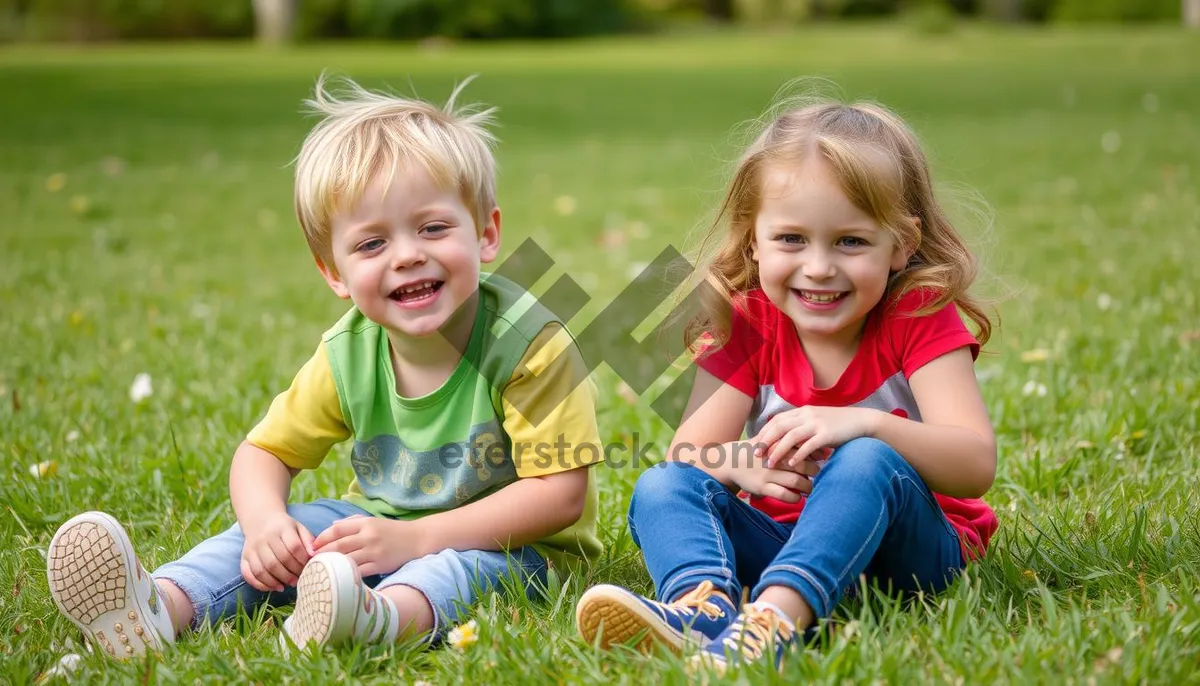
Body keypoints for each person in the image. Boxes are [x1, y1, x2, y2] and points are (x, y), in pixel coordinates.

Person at [46, 76, 603, 659]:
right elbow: (263, 454)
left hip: (522, 547)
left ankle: (378, 620)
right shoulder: (350, 351)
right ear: (333, 272)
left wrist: (415, 539)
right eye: (370, 244)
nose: (408, 254)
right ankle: (160, 604)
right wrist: (267, 527)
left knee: (455, 571)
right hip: (380, 525)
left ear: (486, 234)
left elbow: (558, 496)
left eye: (433, 227)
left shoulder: (528, 345)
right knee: (300, 527)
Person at [575, 96, 998, 673]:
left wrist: (866, 423)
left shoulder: (917, 312)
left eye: (850, 241)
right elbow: (687, 457)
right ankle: (703, 609)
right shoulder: (748, 321)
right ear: (753, 240)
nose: (819, 267)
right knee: (661, 485)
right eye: (791, 239)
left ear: (900, 244)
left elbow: (975, 464)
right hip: (780, 541)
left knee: (866, 459)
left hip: (909, 555)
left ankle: (772, 623)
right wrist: (736, 461)